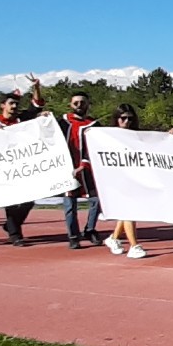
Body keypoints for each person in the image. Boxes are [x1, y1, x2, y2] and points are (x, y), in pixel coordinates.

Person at [0, 79, 47, 246]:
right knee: (11, 201)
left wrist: (36, 87)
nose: (14, 106)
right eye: (11, 103)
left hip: (23, 166)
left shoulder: (21, 119)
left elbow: (37, 105)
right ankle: (15, 234)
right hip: (3, 167)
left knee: (29, 200)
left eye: (16, 104)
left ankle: (11, 225)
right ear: (2, 105)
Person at [101, 104, 149, 258]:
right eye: (123, 118)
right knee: (129, 210)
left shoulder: (137, 135)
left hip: (134, 178)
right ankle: (134, 245)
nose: (126, 121)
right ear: (117, 119)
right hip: (117, 179)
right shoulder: (108, 135)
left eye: (130, 118)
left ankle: (114, 238)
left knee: (128, 210)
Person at [58, 90, 103, 250]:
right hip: (66, 170)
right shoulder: (62, 122)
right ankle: (73, 236)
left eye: (82, 103)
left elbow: (97, 147)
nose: (79, 106)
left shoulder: (94, 126)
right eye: (76, 103)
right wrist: (42, 118)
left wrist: (84, 164)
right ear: (70, 104)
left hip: (88, 169)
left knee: (97, 200)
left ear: (88, 105)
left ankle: (90, 230)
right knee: (70, 204)